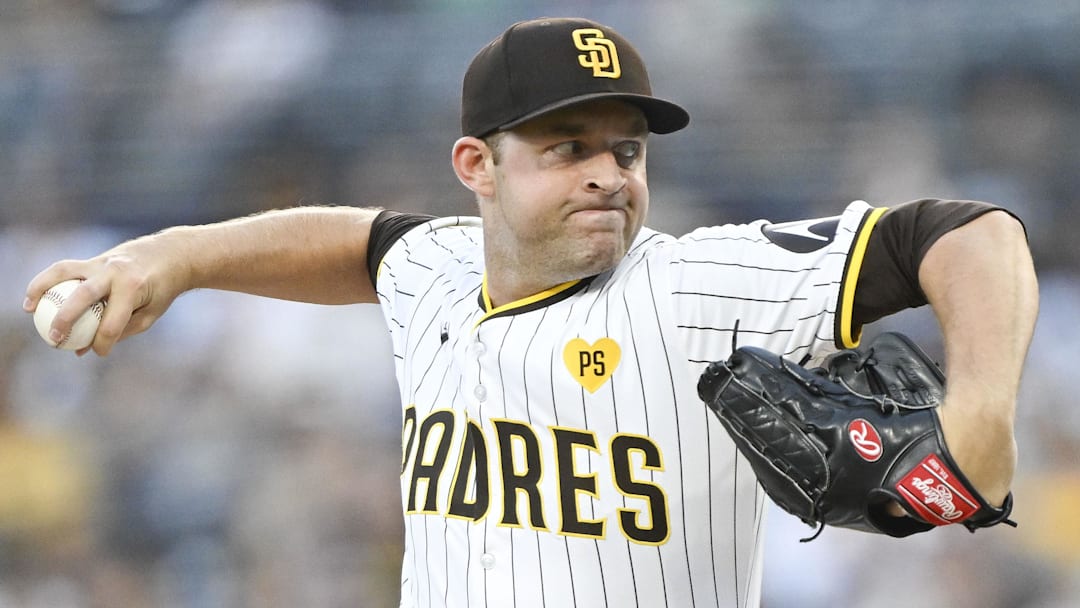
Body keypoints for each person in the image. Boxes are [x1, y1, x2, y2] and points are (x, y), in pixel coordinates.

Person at [23, 17, 1038, 608]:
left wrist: (982, 411)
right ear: (477, 165)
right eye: (568, 149)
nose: (607, 175)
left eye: (626, 151)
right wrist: (171, 256)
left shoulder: (697, 284)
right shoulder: (436, 266)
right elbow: (362, 243)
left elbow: (966, 231)